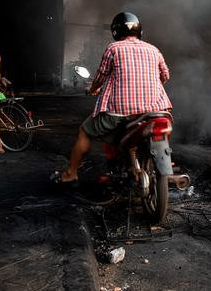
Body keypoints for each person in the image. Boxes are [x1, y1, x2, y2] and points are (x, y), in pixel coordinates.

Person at [53, 11, 171, 184]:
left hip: (121, 113)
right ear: (139, 30)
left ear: (116, 31)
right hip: (155, 111)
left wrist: (92, 89)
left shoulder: (113, 49)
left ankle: (71, 173)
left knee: (84, 131)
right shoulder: (154, 50)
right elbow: (165, 75)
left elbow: (100, 77)